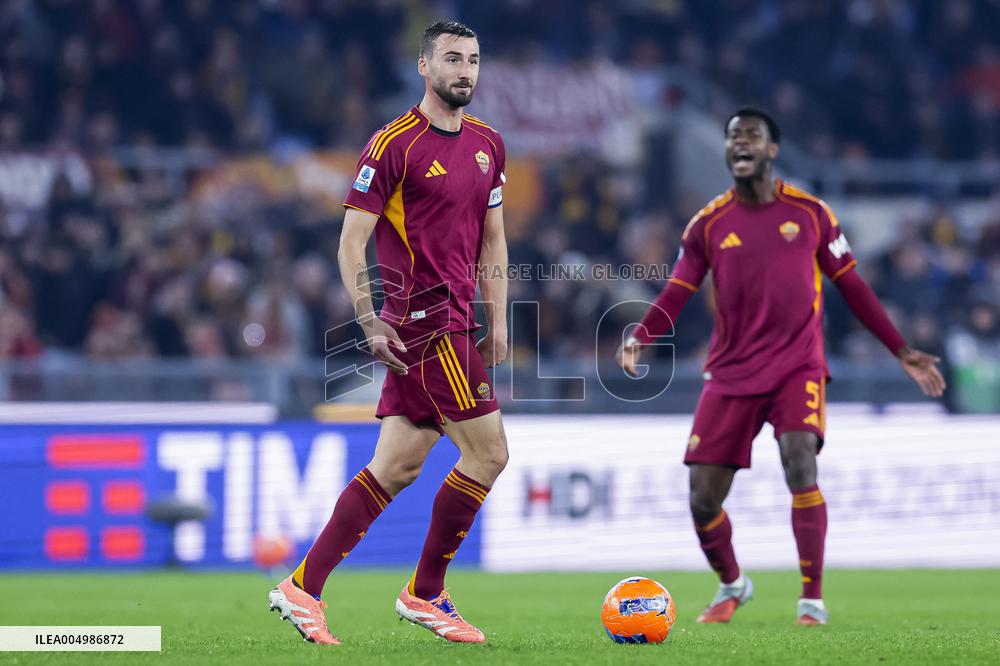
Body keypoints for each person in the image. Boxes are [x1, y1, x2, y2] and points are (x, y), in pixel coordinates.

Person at [617, 108, 945, 626]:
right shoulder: (708, 224)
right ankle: (733, 584)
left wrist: (900, 349)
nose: (740, 143)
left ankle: (811, 599)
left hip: (797, 365)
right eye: (733, 137)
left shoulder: (812, 214)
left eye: (752, 135)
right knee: (702, 498)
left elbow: (853, 286)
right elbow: (678, 289)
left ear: (772, 150)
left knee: (799, 460)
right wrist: (642, 335)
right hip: (731, 372)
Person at [268, 20, 509, 645]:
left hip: (459, 320)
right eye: (451, 59)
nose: (464, 71)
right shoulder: (392, 145)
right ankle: (425, 593)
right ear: (424, 67)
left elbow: (493, 238)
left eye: (473, 60)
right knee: (489, 455)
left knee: (395, 466)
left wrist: (500, 318)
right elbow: (351, 242)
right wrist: (369, 316)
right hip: (423, 323)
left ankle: (302, 587)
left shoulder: (489, 144)